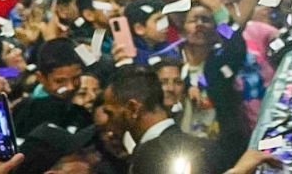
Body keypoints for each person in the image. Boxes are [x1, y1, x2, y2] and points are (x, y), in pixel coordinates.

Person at [97, 66, 279, 174]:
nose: (106, 120)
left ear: (133, 108)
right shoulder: (206, 146)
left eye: (111, 112)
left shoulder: (152, 156)